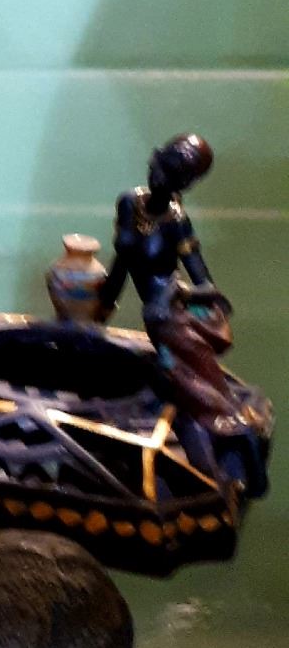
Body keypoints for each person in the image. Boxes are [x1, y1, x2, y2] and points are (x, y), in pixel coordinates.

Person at [95, 135, 261, 485]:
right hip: (158, 322)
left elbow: (206, 286)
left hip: (175, 319)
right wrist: (104, 303)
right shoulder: (129, 203)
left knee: (203, 401)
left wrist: (181, 293)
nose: (160, 176)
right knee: (189, 392)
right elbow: (122, 262)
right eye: (162, 164)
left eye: (173, 174)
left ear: (184, 184)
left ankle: (233, 461)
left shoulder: (177, 221)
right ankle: (223, 458)